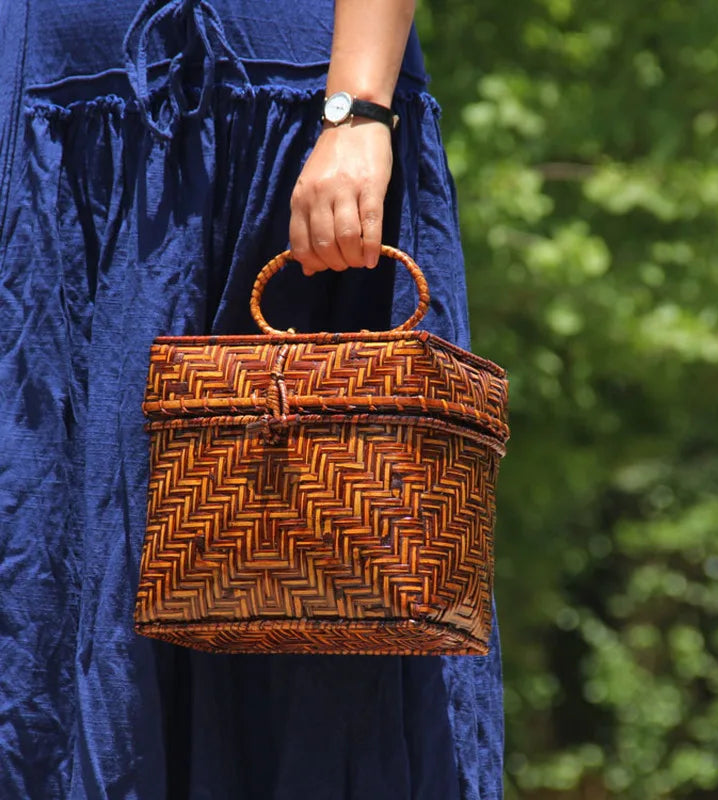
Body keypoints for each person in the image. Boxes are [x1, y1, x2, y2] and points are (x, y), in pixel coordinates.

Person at [0, 1, 504, 797]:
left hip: (288, 122)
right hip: (46, 119)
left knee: (326, 600)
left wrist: (359, 108)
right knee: (50, 581)